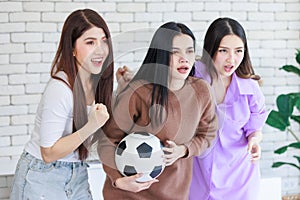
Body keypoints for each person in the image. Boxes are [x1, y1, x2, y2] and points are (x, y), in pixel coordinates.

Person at [97, 22, 218, 200]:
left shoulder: (202, 91)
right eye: (175, 52)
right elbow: (107, 141)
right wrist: (118, 179)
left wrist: (184, 150)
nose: (184, 58)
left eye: (189, 51)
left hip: (173, 193)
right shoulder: (138, 92)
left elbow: (208, 134)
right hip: (128, 193)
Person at [10, 9, 114, 200]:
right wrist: (91, 126)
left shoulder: (97, 83)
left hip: (77, 173)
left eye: (104, 40)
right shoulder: (60, 89)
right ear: (73, 49)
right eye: (90, 42)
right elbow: (48, 153)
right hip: (42, 175)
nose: (100, 49)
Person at [189, 17, 268, 200]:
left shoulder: (250, 88)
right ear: (211, 49)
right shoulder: (193, 76)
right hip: (198, 178)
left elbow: (254, 129)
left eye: (238, 51)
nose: (231, 59)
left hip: (239, 180)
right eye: (223, 50)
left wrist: (255, 141)